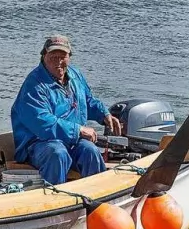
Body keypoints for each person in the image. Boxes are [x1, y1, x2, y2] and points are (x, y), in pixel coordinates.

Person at [10, 34, 123, 186]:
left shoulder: (75, 75)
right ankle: (53, 200)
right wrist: (78, 130)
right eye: (53, 57)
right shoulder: (33, 85)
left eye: (62, 57)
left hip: (72, 141)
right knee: (58, 153)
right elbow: (42, 122)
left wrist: (103, 113)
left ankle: (97, 197)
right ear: (44, 56)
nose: (58, 62)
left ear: (69, 57)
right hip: (39, 143)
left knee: (91, 151)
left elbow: (87, 101)